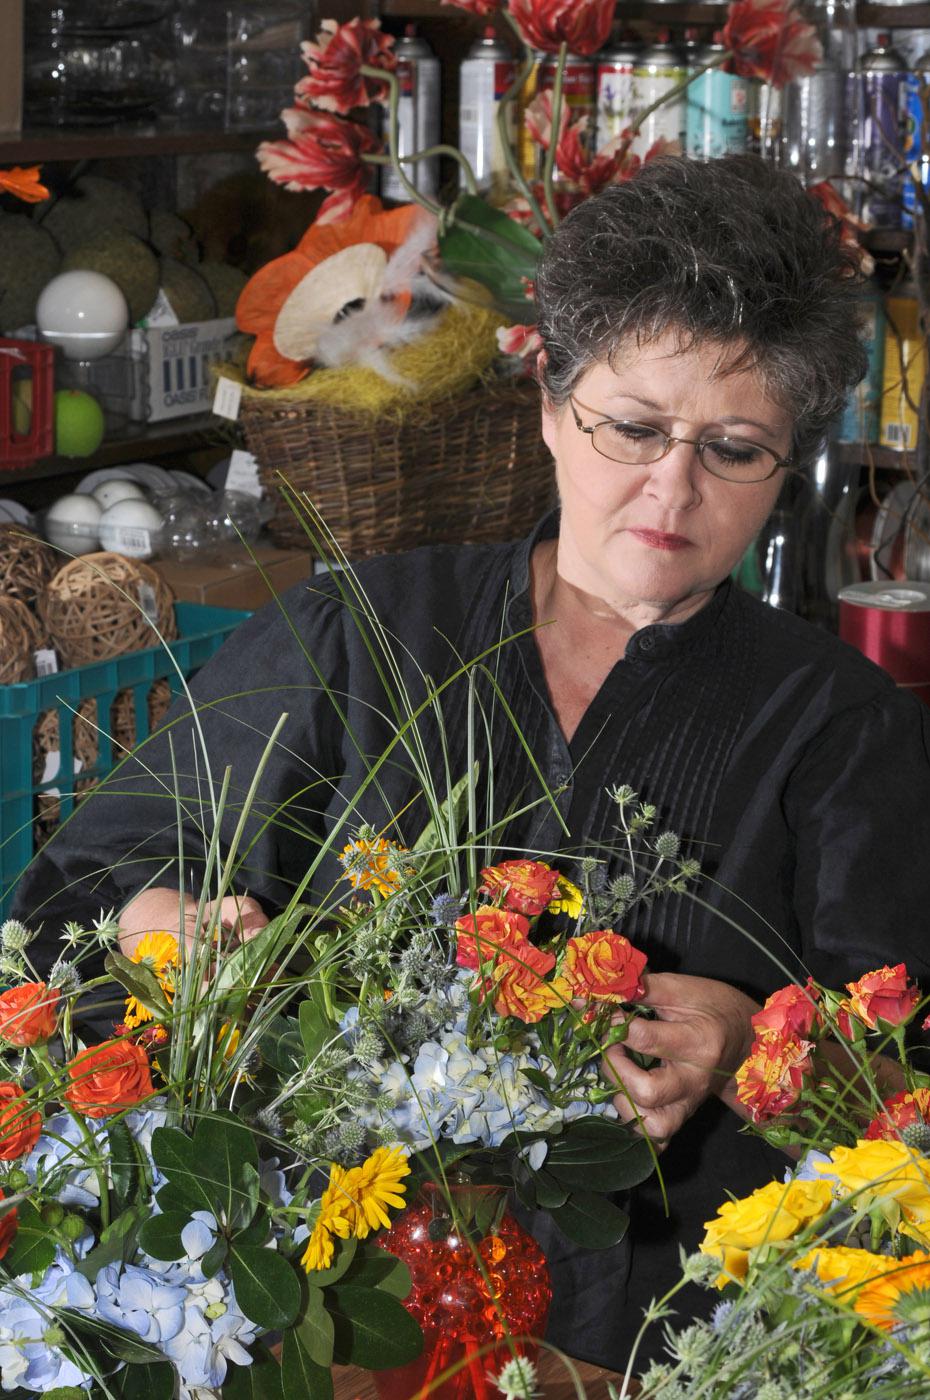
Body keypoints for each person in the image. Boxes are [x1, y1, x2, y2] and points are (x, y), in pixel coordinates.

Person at [13, 155, 930, 1370]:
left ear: (787, 467)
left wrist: (763, 1036)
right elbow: (73, 891)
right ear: (551, 400)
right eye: (635, 426)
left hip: (663, 1349)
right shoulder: (364, 627)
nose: (672, 488)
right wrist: (162, 920)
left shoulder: (839, 721)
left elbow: (902, 1085)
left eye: (736, 447)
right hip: (332, 1317)